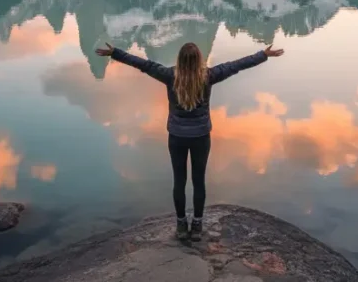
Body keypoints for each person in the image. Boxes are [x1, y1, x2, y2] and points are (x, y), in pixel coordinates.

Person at [95, 41, 284, 241]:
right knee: (198, 181)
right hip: (201, 136)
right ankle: (197, 225)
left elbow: (143, 64)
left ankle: (181, 225)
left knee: (179, 180)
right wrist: (263, 54)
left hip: (177, 136)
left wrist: (115, 53)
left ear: (180, 59)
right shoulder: (208, 76)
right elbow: (236, 65)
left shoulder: (169, 76)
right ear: (199, 60)